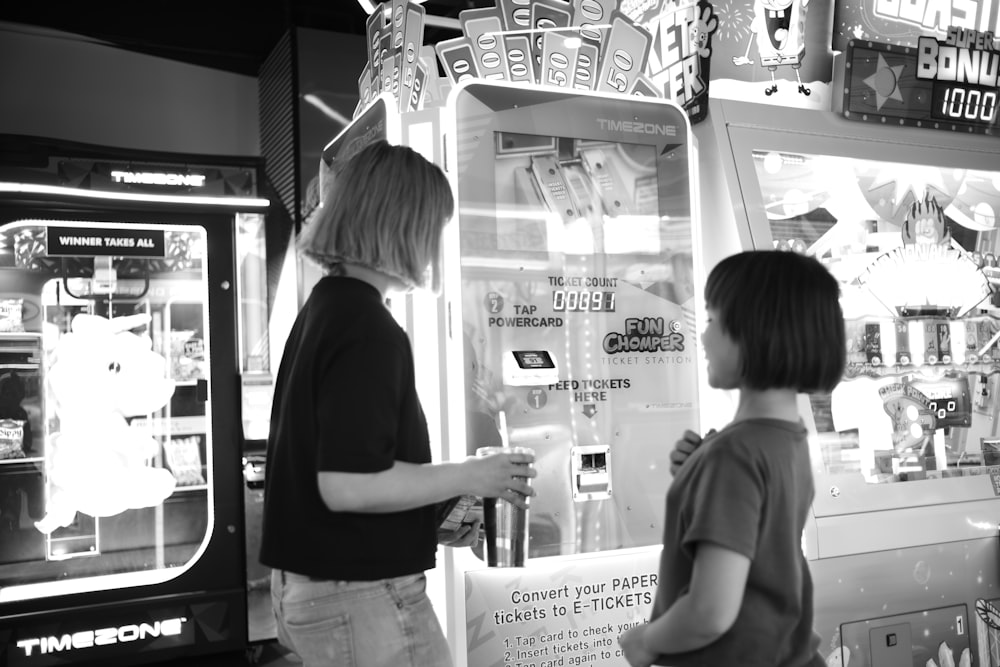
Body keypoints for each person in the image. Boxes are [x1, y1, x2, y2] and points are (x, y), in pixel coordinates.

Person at [260, 140, 536, 667]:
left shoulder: (327, 307)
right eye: (433, 228)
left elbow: (339, 472)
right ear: (403, 224)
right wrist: (471, 477)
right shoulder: (368, 326)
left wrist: (438, 513)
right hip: (361, 593)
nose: (435, 247)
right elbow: (347, 485)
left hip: (317, 587)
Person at [618, 249, 845, 667]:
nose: (702, 337)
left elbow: (710, 612)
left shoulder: (734, 454)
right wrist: (697, 475)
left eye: (711, 321)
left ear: (755, 332)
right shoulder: (788, 439)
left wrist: (647, 640)